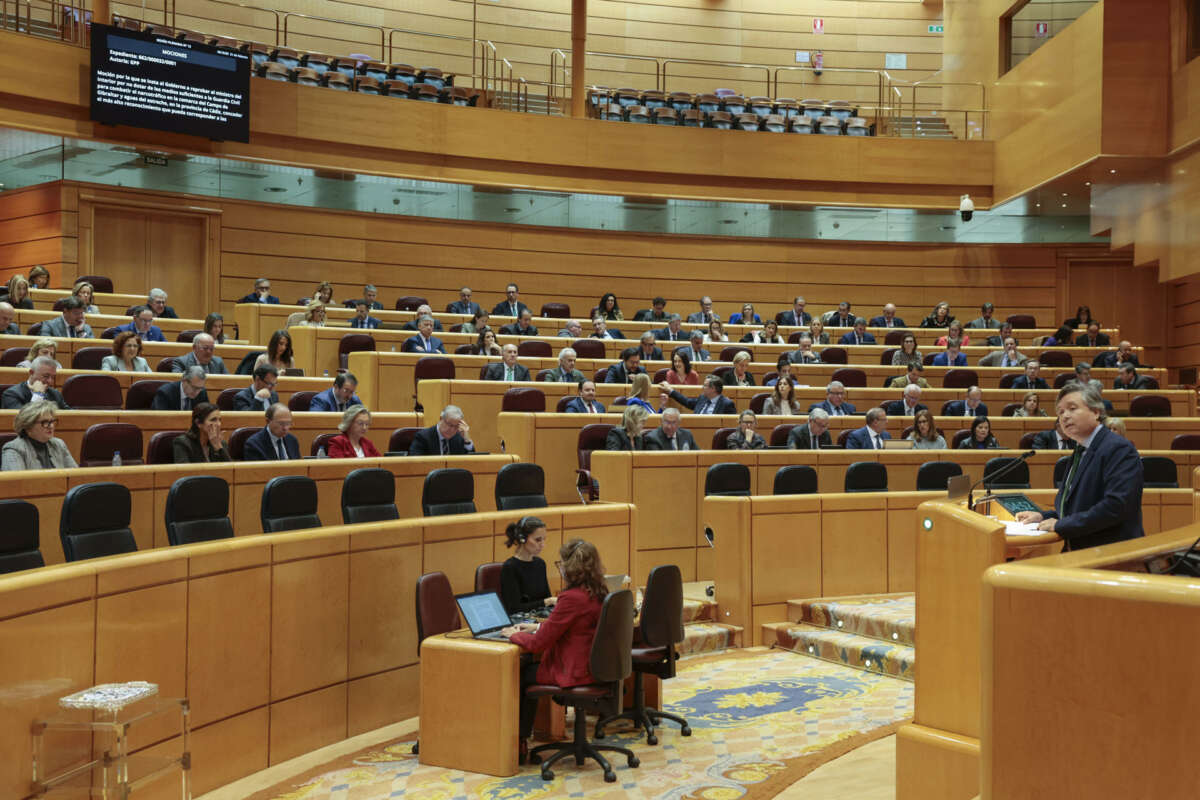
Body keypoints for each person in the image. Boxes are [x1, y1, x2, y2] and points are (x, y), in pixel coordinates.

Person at [503, 538, 608, 764]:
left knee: (520, 672)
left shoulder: (570, 598)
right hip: (594, 666)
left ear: (569, 567)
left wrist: (513, 635)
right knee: (528, 666)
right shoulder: (598, 591)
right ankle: (522, 738)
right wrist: (537, 626)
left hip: (573, 671)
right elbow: (572, 627)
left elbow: (539, 644)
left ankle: (519, 742)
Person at [1016, 383, 1144, 549]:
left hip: (1111, 556)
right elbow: (1078, 508)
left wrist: (1060, 525)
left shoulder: (1118, 448)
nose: (1064, 416)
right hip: (1083, 553)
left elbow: (1115, 507)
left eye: (1072, 408)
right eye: (1060, 412)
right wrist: (1042, 516)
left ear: (1096, 412)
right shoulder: (1080, 450)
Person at [1, 400, 76, 470]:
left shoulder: (59, 444)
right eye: (45, 422)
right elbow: (16, 482)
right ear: (28, 426)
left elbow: (75, 476)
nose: (51, 426)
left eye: (52, 421)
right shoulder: (14, 450)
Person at [499, 516, 552, 614]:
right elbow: (515, 609)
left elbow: (547, 599)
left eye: (544, 539)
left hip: (539, 619)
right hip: (521, 622)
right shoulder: (510, 567)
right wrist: (547, 602)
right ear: (522, 539)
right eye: (537, 540)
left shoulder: (540, 563)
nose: (542, 545)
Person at [409, 405, 475, 455]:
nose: (452, 430)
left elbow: (470, 462)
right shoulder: (423, 437)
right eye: (449, 424)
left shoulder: (459, 438)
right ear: (441, 419)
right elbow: (415, 463)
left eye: (456, 426)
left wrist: (467, 440)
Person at [661, 375, 737, 415]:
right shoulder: (702, 398)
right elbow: (687, 402)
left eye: (705, 385)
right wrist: (670, 391)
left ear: (713, 389)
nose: (702, 387)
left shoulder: (727, 404)